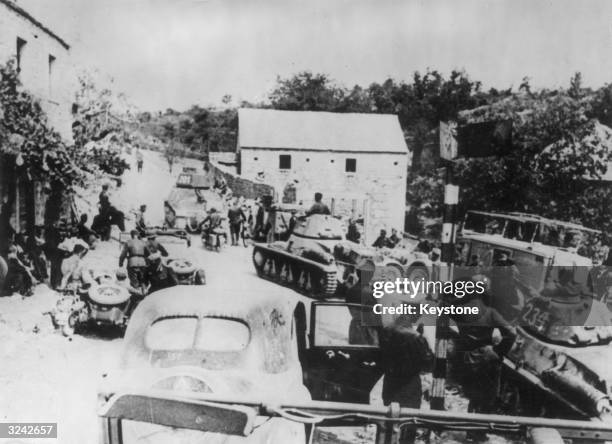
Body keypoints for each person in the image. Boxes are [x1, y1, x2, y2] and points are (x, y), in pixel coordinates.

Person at [450, 276, 516, 442]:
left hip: (468, 359)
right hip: (488, 360)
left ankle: (470, 431)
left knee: (473, 395)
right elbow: (512, 333)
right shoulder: (491, 313)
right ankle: (479, 433)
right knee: (487, 397)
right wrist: (498, 351)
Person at [379, 315, 433, 443]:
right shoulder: (417, 337)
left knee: (390, 416)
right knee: (409, 419)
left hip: (390, 381)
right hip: (410, 383)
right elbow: (428, 362)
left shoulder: (386, 331)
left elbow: (380, 355)